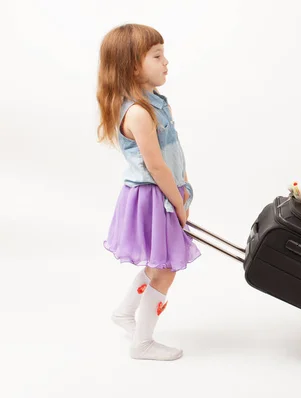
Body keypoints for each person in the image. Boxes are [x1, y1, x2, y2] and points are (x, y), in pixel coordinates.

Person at [96, 23, 201, 361]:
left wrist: (183, 187)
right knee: (166, 267)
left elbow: (172, 153)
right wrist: (177, 203)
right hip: (153, 197)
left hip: (166, 193)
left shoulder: (155, 101)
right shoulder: (138, 113)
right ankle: (142, 343)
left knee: (160, 264)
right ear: (132, 66)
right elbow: (156, 167)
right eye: (157, 56)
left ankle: (125, 313)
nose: (166, 62)